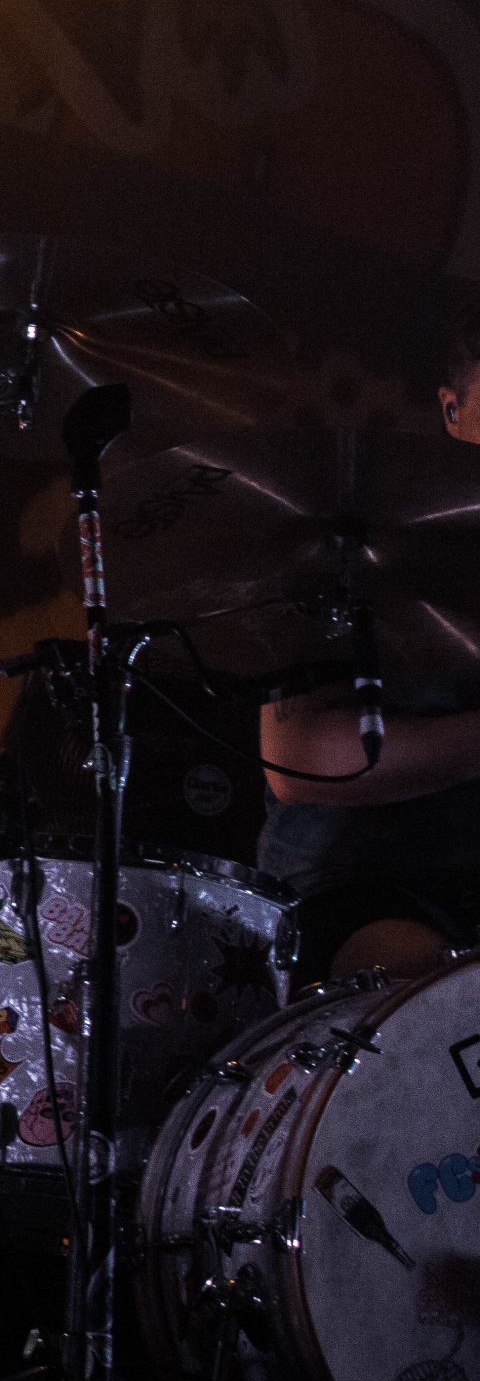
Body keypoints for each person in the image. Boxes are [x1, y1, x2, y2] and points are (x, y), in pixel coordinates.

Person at [255, 299, 480, 984]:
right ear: (452, 408)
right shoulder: (356, 540)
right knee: (436, 996)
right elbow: (295, 759)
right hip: (355, 892)